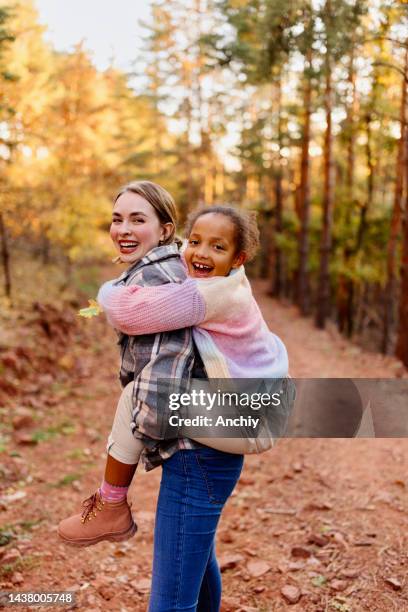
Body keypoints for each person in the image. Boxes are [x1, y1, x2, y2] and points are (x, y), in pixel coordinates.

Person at [59, 201, 290, 612]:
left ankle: (112, 502)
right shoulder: (224, 281)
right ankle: (112, 499)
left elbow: (129, 312)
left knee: (171, 599)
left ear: (239, 259)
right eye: (195, 241)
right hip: (243, 409)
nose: (200, 253)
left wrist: (108, 288)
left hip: (239, 418)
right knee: (195, 566)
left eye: (217, 247)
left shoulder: (210, 294)